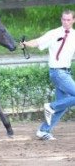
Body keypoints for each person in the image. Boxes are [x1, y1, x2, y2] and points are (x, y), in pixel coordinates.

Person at [21, 10, 75, 140]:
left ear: (73, 20)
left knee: (62, 106)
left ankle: (43, 131)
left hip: (66, 72)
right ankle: (51, 106)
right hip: (58, 73)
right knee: (58, 105)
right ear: (61, 20)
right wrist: (26, 43)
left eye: (68, 20)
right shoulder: (54, 33)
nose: (66, 22)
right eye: (64, 19)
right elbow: (38, 42)